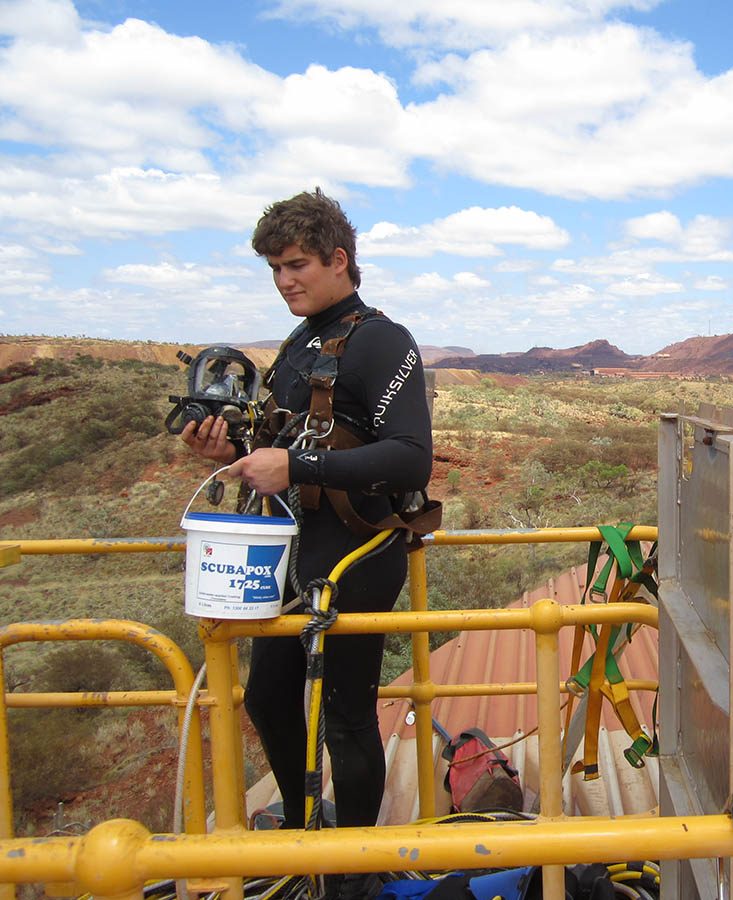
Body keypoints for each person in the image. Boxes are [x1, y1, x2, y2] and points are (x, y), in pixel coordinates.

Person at [182, 188, 433, 898]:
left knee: (347, 714)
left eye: (297, 264)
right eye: (274, 269)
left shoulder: (381, 342)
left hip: (355, 552)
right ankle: (299, 828)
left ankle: (353, 869)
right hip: (293, 550)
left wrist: (297, 466)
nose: (286, 279)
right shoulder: (298, 345)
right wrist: (229, 449)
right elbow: (284, 442)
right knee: (267, 696)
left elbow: (411, 457)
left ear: (339, 260)